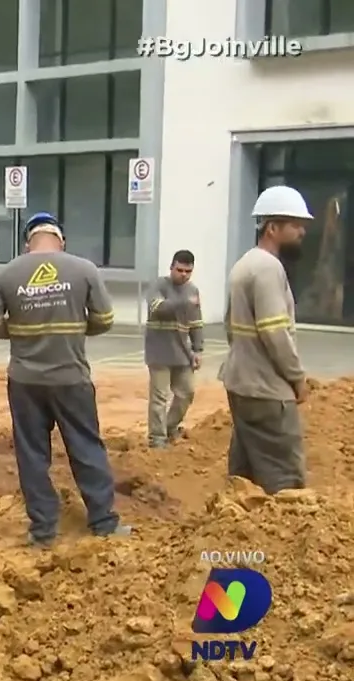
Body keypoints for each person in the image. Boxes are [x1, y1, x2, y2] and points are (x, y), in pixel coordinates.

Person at [0, 212, 130, 547]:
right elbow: (104, 319)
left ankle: (43, 531)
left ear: (27, 242)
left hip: (25, 380)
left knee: (32, 455)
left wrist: (21, 333)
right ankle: (103, 522)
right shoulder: (83, 269)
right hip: (71, 377)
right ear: (61, 240)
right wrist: (73, 329)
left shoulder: (7, 274)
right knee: (86, 447)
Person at [221, 185, 311, 493]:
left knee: (244, 474)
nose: (302, 231)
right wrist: (297, 378)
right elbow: (275, 331)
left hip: (242, 383)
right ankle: (284, 539)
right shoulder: (268, 268)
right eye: (296, 225)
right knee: (286, 477)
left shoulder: (245, 263)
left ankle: (235, 529)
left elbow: (230, 326)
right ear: (272, 228)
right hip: (267, 391)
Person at [144, 250, 204, 448]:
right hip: (159, 352)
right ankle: (157, 439)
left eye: (188, 271)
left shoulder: (192, 290)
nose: (184, 275)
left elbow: (196, 324)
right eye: (180, 270)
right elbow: (158, 308)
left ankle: (169, 427)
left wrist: (198, 350)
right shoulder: (158, 286)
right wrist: (184, 302)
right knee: (159, 398)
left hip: (182, 352)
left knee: (186, 392)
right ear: (171, 267)